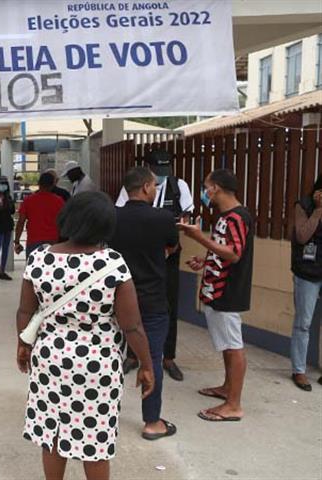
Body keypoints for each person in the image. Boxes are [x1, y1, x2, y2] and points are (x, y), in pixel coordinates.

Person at [16, 191, 155, 480]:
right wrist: (147, 364)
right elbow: (132, 326)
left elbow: (25, 312)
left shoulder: (39, 258)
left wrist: (22, 344)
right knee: (95, 442)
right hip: (96, 364)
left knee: (53, 433)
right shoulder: (112, 263)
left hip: (50, 359)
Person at [110, 167, 179, 441]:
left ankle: (105, 413)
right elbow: (172, 247)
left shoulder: (112, 218)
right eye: (154, 185)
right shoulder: (163, 218)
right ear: (147, 187)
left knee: (111, 358)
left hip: (115, 299)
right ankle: (152, 421)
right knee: (152, 360)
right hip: (151, 301)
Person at [179, 169, 254, 422]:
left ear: (216, 189)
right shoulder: (226, 217)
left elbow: (234, 253)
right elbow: (225, 251)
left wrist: (199, 238)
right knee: (226, 344)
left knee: (233, 346)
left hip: (228, 293)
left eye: (205, 186)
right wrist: (207, 260)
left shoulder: (236, 217)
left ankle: (234, 405)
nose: (204, 192)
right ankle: (227, 389)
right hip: (218, 290)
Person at [117, 150, 194, 381]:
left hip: (168, 256)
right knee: (132, 303)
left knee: (169, 306)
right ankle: (132, 355)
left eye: (163, 172)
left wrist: (169, 238)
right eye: (155, 173)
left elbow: (185, 219)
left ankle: (167, 357)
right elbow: (124, 214)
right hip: (138, 254)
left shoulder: (179, 185)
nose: (159, 178)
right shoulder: (131, 187)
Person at [289, 175, 322, 391]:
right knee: (304, 323)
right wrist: (319, 210)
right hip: (308, 271)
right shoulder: (304, 206)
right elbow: (302, 236)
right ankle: (299, 370)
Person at [14, 172, 65, 257]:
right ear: (53, 185)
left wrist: (17, 241)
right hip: (53, 242)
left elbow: (21, 222)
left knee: (33, 268)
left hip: (33, 242)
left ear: (38, 184)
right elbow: (64, 222)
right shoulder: (59, 201)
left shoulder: (28, 201)